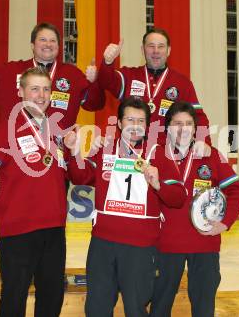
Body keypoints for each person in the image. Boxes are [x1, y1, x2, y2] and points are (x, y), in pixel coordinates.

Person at [64, 96, 188, 317]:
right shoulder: (106, 148)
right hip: (103, 244)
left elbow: (178, 198)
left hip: (139, 247)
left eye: (141, 121)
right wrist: (75, 152)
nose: (135, 126)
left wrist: (158, 184)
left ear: (147, 126)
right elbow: (81, 176)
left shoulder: (160, 154)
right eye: (130, 120)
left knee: (136, 308)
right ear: (120, 123)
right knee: (96, 308)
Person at [0, 67, 69, 317]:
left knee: (52, 296)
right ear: (20, 92)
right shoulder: (7, 127)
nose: (41, 95)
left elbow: (70, 173)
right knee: (14, 299)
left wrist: (77, 151)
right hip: (19, 233)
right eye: (34, 88)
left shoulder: (55, 130)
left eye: (46, 89)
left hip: (54, 231)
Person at [149, 101, 239, 317]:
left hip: (204, 243)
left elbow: (237, 191)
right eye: (177, 124)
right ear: (167, 128)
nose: (183, 129)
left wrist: (225, 222)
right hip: (166, 244)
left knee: (203, 309)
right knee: (159, 306)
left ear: (195, 128)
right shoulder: (155, 156)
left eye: (188, 123)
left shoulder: (212, 155)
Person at [0, 21, 105, 131]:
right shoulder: (11, 71)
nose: (48, 44)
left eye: (53, 41)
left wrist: (94, 83)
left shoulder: (73, 75)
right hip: (17, 154)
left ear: (59, 46)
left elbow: (95, 105)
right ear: (32, 45)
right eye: (42, 40)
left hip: (60, 156)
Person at [97, 27, 211, 153]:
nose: (156, 51)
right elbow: (105, 81)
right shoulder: (129, 76)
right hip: (130, 153)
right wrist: (108, 62)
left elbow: (198, 117)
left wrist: (202, 140)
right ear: (142, 50)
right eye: (151, 46)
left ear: (168, 51)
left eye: (161, 46)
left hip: (167, 155)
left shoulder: (182, 83)